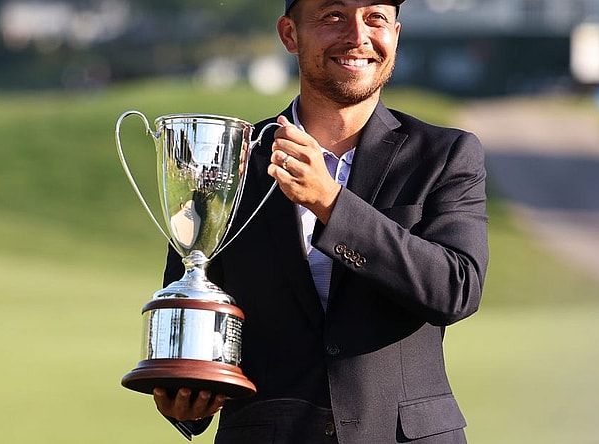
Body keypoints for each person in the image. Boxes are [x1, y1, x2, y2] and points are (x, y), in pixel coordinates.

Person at [152, 0, 488, 442]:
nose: (357, 35)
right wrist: (187, 397)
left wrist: (331, 202)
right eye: (333, 16)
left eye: (375, 18)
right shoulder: (227, 159)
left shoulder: (445, 155)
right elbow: (192, 303)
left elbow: (456, 289)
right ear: (290, 34)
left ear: (396, 35)